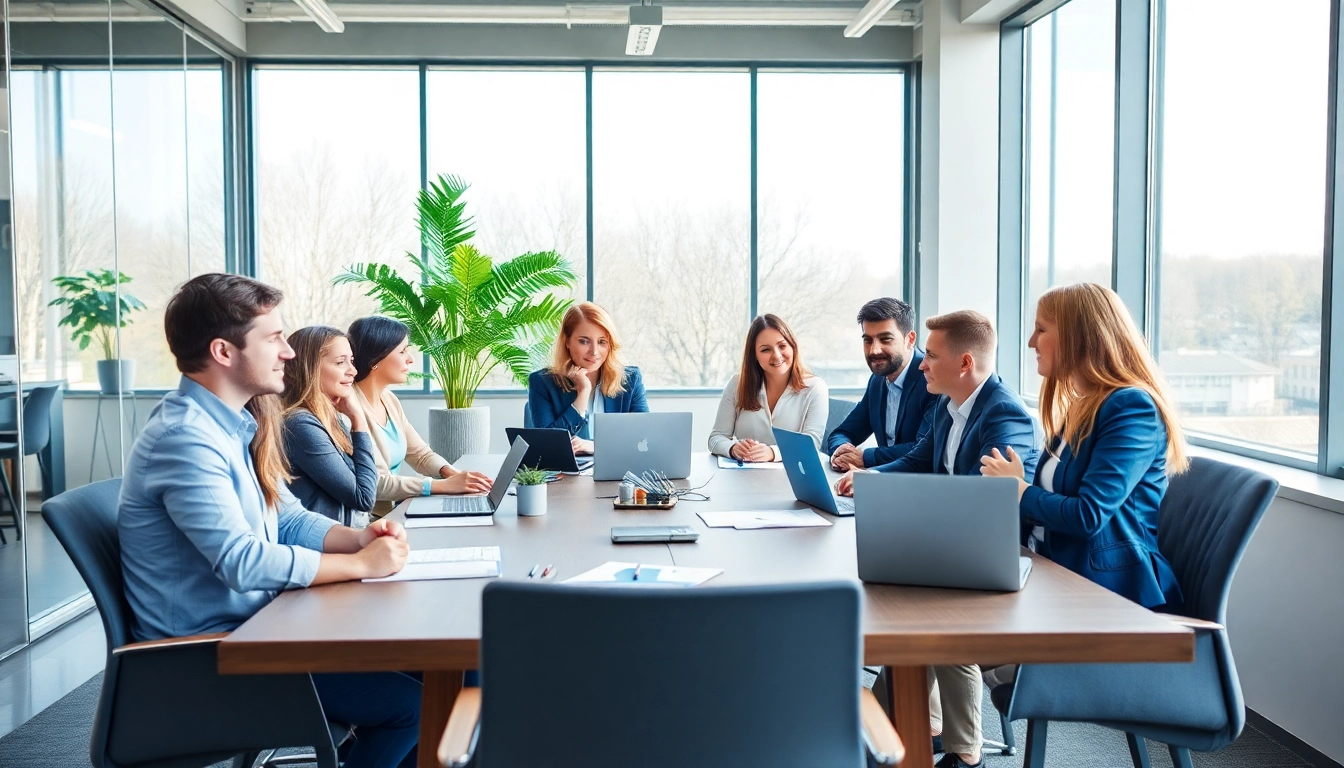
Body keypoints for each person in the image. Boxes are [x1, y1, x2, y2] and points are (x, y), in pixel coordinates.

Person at [119, 273, 421, 768]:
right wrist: (360, 564)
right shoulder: (185, 439)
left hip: (265, 629)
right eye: (274, 338)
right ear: (223, 351)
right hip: (216, 658)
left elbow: (289, 519)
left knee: (433, 672)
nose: (287, 352)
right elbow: (242, 562)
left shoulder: (236, 425)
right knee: (413, 707)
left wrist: (357, 538)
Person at [834, 309, 1039, 768]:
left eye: (931, 356)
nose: (922, 364)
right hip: (950, 549)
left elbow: (989, 501)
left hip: (988, 557)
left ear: (964, 363)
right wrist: (871, 481)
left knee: (928, 614)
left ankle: (961, 751)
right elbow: (917, 460)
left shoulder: (1005, 414)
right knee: (890, 591)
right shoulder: (949, 407)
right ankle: (913, 725)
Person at [981, 281, 1186, 611]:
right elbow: (1055, 501)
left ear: (1077, 337)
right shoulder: (1082, 406)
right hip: (1052, 572)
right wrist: (1018, 486)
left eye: (1041, 329)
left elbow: (1088, 516)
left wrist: (1018, 489)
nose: (1031, 341)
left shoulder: (1132, 408)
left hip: (1111, 593)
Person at [347, 316, 492, 518]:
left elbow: (420, 455)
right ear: (375, 360)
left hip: (393, 512)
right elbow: (376, 482)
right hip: (370, 520)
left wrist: (452, 473)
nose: (410, 359)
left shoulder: (388, 399)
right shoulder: (349, 409)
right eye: (402, 351)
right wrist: (441, 486)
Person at [281, 325, 378, 526]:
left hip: (347, 536)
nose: (353, 371)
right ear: (310, 368)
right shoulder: (300, 424)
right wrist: (358, 419)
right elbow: (364, 498)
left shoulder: (327, 418)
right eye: (341, 362)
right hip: (324, 542)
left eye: (351, 361)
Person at [827, 297, 936, 471]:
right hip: (882, 480)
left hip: (918, 482)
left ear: (910, 339)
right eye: (867, 340)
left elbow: (924, 449)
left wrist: (865, 458)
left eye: (885, 339)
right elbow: (843, 432)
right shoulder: (877, 380)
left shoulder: (932, 378)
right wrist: (841, 451)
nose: (874, 350)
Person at [527, 302, 648, 455]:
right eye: (584, 341)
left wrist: (596, 446)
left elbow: (643, 439)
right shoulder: (542, 383)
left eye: (602, 342)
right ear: (567, 341)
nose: (594, 352)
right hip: (567, 470)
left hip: (618, 468)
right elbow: (547, 446)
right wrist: (583, 394)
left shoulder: (630, 380)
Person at [709, 314, 829, 462]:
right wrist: (733, 448)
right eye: (766, 350)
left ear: (793, 346)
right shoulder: (737, 384)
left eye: (782, 346)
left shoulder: (815, 388)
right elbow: (716, 437)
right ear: (754, 355)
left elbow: (812, 444)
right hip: (744, 474)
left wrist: (772, 453)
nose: (776, 356)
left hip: (789, 475)